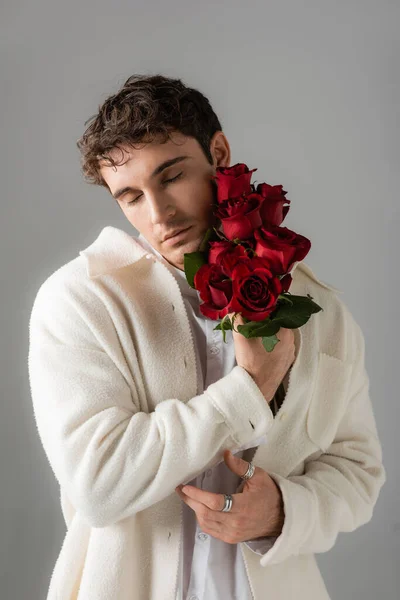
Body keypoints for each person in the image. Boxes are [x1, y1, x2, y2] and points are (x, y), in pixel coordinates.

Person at [28, 74, 386, 600]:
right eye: (130, 196)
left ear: (218, 151)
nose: (158, 215)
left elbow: (358, 472)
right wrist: (249, 390)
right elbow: (98, 484)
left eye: (171, 177)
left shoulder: (321, 309)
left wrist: (284, 512)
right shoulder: (79, 301)